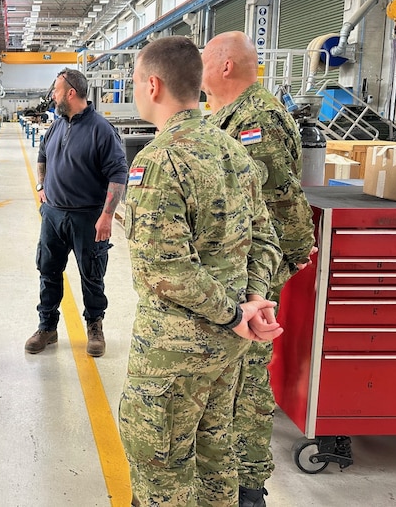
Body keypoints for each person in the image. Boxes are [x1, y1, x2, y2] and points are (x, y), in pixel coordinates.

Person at [118, 36, 284, 507]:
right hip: (228, 351)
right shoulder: (233, 152)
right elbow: (265, 240)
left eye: (134, 82)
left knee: (161, 469)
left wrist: (236, 312)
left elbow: (164, 269)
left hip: (174, 357)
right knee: (216, 463)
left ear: (152, 85)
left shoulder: (158, 160)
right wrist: (250, 306)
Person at [203, 31, 315, 507]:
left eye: (205, 59)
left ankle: (249, 488)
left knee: (246, 381)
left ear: (226, 65)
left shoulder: (257, 121)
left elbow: (268, 213)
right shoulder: (232, 117)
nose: (200, 69)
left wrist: (255, 289)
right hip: (241, 275)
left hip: (252, 279)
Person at [25, 68, 128, 357]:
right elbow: (43, 154)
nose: (53, 96)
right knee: (48, 271)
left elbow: (118, 173)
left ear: (71, 92)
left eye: (56, 90)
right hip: (53, 216)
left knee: (92, 275)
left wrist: (107, 215)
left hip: (88, 218)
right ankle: (47, 327)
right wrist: (41, 185)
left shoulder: (101, 129)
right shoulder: (57, 125)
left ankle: (95, 327)